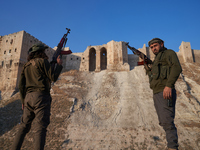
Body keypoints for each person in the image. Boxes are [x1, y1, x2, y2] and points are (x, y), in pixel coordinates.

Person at [11, 43, 63, 150]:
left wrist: (23, 101)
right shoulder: (42, 62)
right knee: (40, 128)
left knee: (23, 127)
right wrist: (59, 65)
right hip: (41, 97)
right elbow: (53, 77)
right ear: (41, 52)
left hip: (28, 98)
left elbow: (21, 85)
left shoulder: (26, 65)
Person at [146, 38, 182, 150]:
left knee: (167, 120)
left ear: (162, 44)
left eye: (155, 46)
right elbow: (154, 75)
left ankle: (172, 147)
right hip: (157, 92)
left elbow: (177, 68)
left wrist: (169, 85)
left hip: (165, 91)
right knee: (163, 121)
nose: (153, 48)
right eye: (151, 47)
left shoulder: (168, 53)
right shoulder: (156, 59)